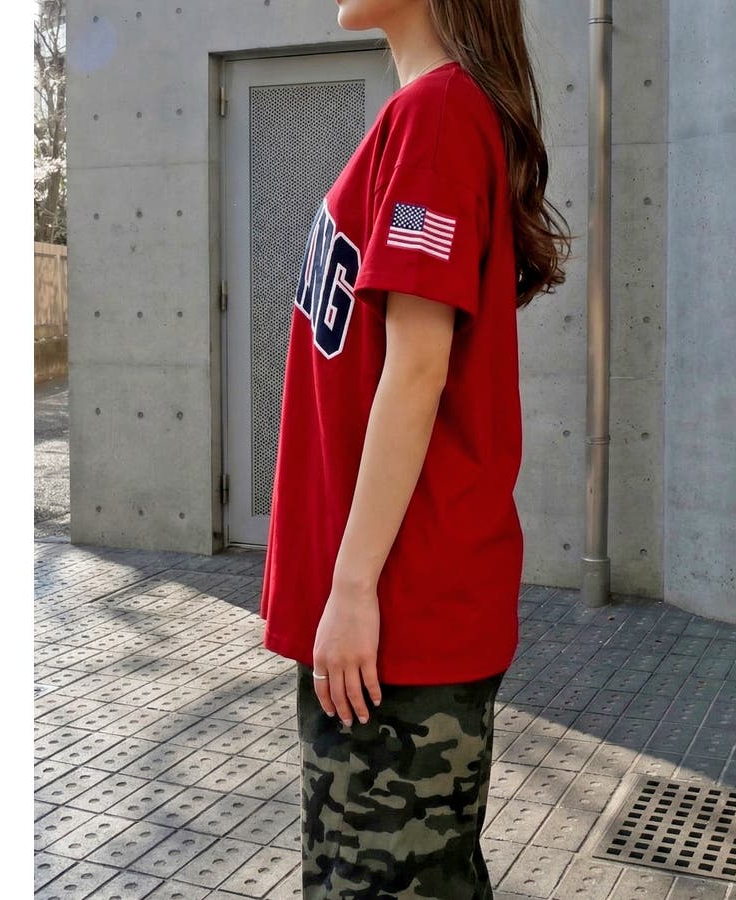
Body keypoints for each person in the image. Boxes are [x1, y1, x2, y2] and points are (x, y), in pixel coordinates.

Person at [259, 1, 572, 896]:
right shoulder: (427, 113)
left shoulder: (438, 114)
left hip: (400, 614)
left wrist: (354, 586)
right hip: (387, 620)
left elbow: (419, 365)